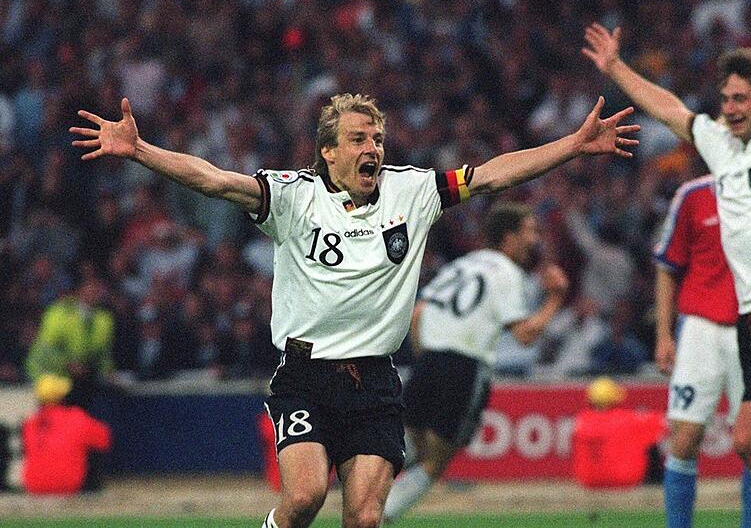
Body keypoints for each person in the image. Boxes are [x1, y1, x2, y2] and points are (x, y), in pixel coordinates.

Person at [71, 93, 638, 528]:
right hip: (305, 375)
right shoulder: (292, 197)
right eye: (359, 138)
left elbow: (493, 174)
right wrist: (141, 151)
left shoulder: (413, 191)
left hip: (376, 378)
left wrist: (570, 145)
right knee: (304, 498)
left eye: (377, 138)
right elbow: (215, 181)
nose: (373, 148)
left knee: (365, 518)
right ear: (329, 151)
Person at [583, 0, 751, 527]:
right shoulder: (722, 148)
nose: (730, 107)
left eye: (741, 98)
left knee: (748, 439)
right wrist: (616, 68)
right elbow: (668, 107)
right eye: (725, 98)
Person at [382, 201, 569, 523]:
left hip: (429, 360)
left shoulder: (462, 264)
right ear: (508, 238)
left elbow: (418, 314)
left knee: (411, 444)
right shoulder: (508, 272)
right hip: (465, 367)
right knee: (437, 460)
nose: (535, 240)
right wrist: (556, 299)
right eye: (530, 232)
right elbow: (525, 335)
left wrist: (426, 354)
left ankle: (365, 494)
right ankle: (381, 515)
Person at [653, 174, 751, 528]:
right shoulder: (693, 194)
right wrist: (663, 334)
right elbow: (668, 266)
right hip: (700, 328)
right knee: (684, 440)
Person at [25, 276, 115, 409]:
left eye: (98, 287)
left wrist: (108, 371)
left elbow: (103, 353)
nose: (96, 291)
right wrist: (67, 363)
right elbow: (46, 349)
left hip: (80, 381)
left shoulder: (104, 319)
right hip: (48, 376)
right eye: (91, 286)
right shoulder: (59, 313)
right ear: (80, 290)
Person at [21, 374, 111, 495]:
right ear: (64, 397)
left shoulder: (29, 423)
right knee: (91, 446)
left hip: (34, 485)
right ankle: (94, 491)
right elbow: (105, 441)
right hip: (68, 485)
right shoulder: (77, 418)